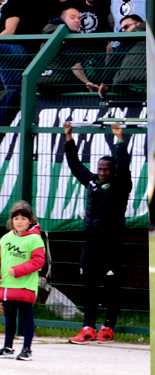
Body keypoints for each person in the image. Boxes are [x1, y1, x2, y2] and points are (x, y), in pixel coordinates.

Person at [63, 122, 131, 344]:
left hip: (111, 244)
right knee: (89, 286)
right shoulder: (92, 181)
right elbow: (74, 165)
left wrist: (119, 138)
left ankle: (108, 327)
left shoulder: (121, 184)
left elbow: (124, 164)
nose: (102, 172)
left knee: (111, 286)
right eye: (100, 168)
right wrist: (69, 137)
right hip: (91, 243)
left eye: (106, 169)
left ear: (113, 171)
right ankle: (88, 328)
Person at [0, 201, 46, 361]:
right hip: (6, 286)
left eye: (23, 218)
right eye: (16, 218)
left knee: (26, 316)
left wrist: (18, 271)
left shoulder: (35, 240)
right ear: (11, 220)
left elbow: (38, 262)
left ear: (31, 221)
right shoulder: (5, 238)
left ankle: (27, 349)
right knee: (9, 317)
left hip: (25, 286)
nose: (19, 222)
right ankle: (7, 347)